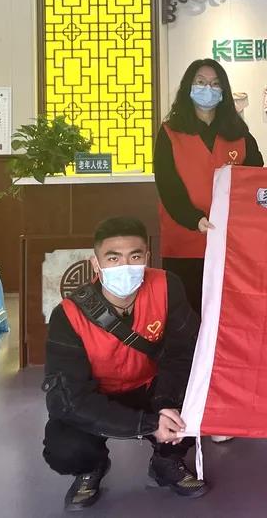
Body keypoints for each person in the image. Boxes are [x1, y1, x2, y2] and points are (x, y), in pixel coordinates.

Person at [42, 217, 207, 511]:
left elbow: (185, 353)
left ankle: (165, 461)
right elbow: (67, 400)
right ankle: (91, 467)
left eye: (134, 256)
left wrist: (166, 404)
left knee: (197, 402)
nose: (125, 266)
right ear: (96, 264)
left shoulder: (167, 286)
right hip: (96, 396)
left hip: (151, 387)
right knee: (65, 447)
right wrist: (148, 425)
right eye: (113, 258)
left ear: (147, 258)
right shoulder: (67, 315)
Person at [155, 58, 263, 313]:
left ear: (223, 91)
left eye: (215, 84)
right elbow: (168, 185)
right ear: (188, 88)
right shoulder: (170, 132)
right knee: (187, 316)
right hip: (184, 242)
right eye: (201, 82)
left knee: (226, 314)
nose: (208, 89)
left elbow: (256, 178)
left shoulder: (239, 133)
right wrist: (194, 219)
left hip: (229, 243)